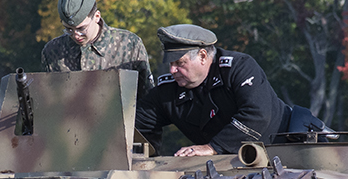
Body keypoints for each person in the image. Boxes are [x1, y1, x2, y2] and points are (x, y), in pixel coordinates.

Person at [136, 24, 328, 157]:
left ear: (202, 56)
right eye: (170, 64)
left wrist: (213, 147)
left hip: (289, 152)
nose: (172, 70)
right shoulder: (168, 90)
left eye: (180, 63)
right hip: (232, 169)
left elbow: (258, 114)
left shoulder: (238, 68)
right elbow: (138, 124)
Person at [40, 0, 154, 97]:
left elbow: (148, 99)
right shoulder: (53, 51)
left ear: (97, 16)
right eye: (68, 29)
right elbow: (47, 100)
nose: (76, 35)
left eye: (81, 28)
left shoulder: (129, 45)